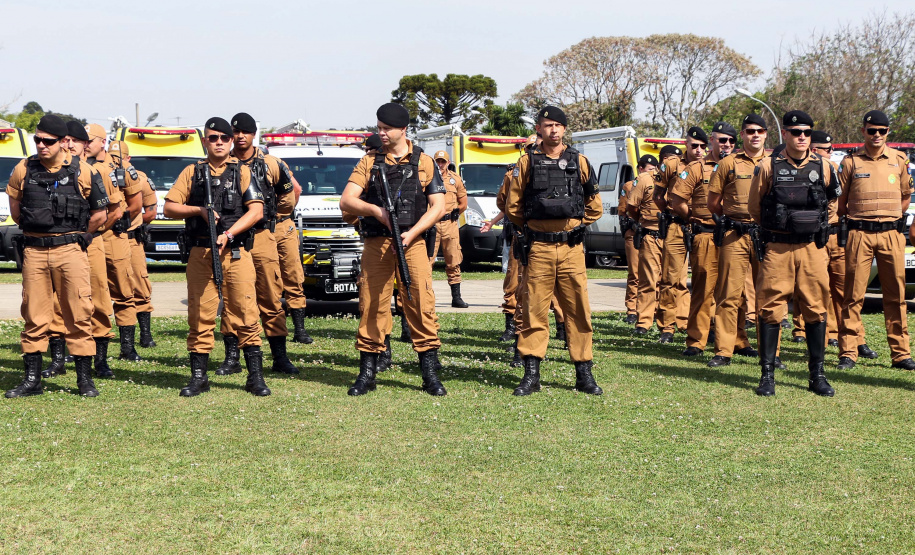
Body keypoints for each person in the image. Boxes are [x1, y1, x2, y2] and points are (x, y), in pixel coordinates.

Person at [339, 103, 448, 396]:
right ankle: (367, 373)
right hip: (377, 243)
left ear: (403, 130)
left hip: (412, 242)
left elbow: (438, 207)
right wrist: (375, 210)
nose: (381, 133)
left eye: (386, 129)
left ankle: (429, 373)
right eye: (379, 128)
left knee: (420, 302)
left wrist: (413, 233)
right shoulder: (369, 162)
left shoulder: (423, 162)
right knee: (372, 303)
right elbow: (347, 200)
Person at [5, 115, 110, 398]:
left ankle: (84, 380)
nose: (41, 146)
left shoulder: (83, 171)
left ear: (64, 142)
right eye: (37, 140)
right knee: (34, 315)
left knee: (78, 314)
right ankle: (32, 380)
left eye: (47, 141)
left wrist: (78, 235)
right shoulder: (23, 168)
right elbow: (15, 208)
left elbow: (101, 213)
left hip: (69, 251)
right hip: (35, 251)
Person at [163, 116, 269, 397]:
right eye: (213, 138)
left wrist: (229, 233)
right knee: (200, 316)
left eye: (224, 138)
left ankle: (254, 377)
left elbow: (256, 211)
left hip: (235, 252)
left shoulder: (242, 172)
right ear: (205, 141)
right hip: (201, 252)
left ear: (231, 141)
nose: (219, 143)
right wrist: (198, 211)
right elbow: (170, 208)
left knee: (246, 313)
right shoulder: (192, 172)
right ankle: (199, 378)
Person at [505, 105, 603, 396]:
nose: (553, 130)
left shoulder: (580, 161)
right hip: (539, 249)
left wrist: (573, 224)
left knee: (578, 311)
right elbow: (513, 206)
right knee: (534, 309)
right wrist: (536, 228)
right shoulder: (526, 162)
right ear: (539, 129)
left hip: (572, 248)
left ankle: (583, 373)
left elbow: (595, 206)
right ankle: (531, 374)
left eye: (558, 125)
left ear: (564, 129)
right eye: (547, 125)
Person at [749, 110, 839, 397]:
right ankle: (767, 375)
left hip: (812, 248)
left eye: (807, 132)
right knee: (770, 308)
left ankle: (818, 375)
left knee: (815, 307)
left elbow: (833, 205)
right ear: (785, 134)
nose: (802, 137)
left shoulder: (824, 167)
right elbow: (755, 206)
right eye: (796, 132)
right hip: (778, 248)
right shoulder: (767, 166)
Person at [220, 112, 300, 376]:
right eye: (236, 132)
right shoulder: (222, 164)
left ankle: (280, 356)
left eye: (246, 132)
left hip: (263, 235)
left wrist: (273, 216)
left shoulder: (271, 163)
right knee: (232, 297)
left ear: (254, 134)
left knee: (271, 294)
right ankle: (232, 357)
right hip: (233, 239)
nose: (240, 136)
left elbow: (288, 196)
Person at [837, 110, 915, 371]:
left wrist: (891, 217)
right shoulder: (850, 162)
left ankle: (901, 353)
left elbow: (906, 196)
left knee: (896, 296)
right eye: (872, 130)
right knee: (853, 296)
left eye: (882, 130)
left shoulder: (899, 160)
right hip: (860, 234)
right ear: (863, 131)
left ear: (888, 132)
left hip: (892, 235)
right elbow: (840, 203)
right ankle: (848, 351)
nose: (877, 135)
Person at [669, 123, 736, 362]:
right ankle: (697, 340)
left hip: (735, 236)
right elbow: (677, 200)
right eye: (721, 140)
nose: (726, 145)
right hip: (706, 234)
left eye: (730, 141)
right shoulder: (697, 168)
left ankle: (737, 340)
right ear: (712, 142)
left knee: (734, 292)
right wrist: (693, 218)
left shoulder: (740, 165)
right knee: (703, 289)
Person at [707, 115, 768, 366]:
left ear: (766, 134)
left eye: (760, 131)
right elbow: (713, 202)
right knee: (729, 295)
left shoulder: (775, 162)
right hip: (735, 234)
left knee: (768, 297)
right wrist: (734, 220)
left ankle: (770, 354)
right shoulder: (728, 163)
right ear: (742, 135)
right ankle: (723, 351)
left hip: (766, 236)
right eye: (750, 131)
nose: (755, 135)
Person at [86, 125, 144, 363]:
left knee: (123, 291)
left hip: (114, 236)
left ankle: (127, 346)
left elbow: (135, 203)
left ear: (102, 141)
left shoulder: (120, 168)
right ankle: (87, 346)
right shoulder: (80, 166)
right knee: (89, 292)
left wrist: (112, 220)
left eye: (90, 140)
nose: (86, 144)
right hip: (91, 236)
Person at [107, 140, 158, 350]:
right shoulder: (102, 175)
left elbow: (151, 211)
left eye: (119, 158)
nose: (116, 162)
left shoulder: (140, 178)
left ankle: (145, 334)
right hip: (108, 239)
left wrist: (131, 222)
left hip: (132, 239)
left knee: (139, 285)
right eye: (112, 158)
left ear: (128, 158)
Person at [654, 143, 694, 346]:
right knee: (670, 278)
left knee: (699, 281)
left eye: (702, 146)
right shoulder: (672, 165)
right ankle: (667, 327)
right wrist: (672, 214)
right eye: (694, 145)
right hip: (676, 225)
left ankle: (687, 322)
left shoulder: (711, 165)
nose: (698, 149)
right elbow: (658, 196)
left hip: (700, 226)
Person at [626, 155, 663, 336]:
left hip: (672, 235)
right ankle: (644, 321)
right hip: (650, 234)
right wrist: (642, 221)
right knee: (647, 279)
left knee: (672, 281)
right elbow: (631, 207)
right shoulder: (642, 180)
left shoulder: (677, 177)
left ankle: (671, 321)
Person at [430, 150, 469, 308]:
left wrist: (456, 211)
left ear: (448, 162)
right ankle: (426, 297)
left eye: (443, 161)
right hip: (431, 224)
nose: (440, 164)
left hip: (450, 224)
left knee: (453, 260)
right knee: (427, 262)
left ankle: (456, 297)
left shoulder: (455, 179)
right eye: (437, 161)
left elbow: (463, 202)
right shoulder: (428, 178)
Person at [617, 171, 639, 324]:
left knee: (656, 275)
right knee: (635, 273)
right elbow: (622, 210)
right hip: (634, 232)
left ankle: (654, 308)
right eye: (647, 168)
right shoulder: (630, 186)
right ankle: (632, 309)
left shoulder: (659, 184)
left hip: (653, 232)